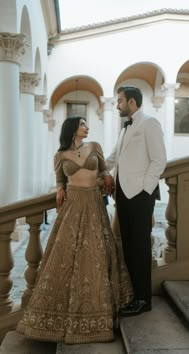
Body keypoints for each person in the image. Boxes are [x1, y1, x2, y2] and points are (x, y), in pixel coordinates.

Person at [17, 115, 133, 344]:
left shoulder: (94, 147)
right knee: (65, 256)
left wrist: (108, 176)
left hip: (93, 203)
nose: (86, 127)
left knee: (96, 255)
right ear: (72, 129)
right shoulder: (60, 155)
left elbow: (102, 171)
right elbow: (60, 179)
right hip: (72, 207)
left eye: (86, 124)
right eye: (82, 124)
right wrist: (60, 189)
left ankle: (97, 314)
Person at [106, 86, 167, 316]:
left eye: (120, 101)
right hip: (122, 196)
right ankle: (134, 296)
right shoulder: (125, 129)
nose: (117, 105)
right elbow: (114, 157)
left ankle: (144, 299)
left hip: (140, 196)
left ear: (132, 102)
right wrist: (95, 168)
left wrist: (145, 189)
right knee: (130, 247)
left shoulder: (149, 123)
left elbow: (159, 160)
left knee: (140, 248)